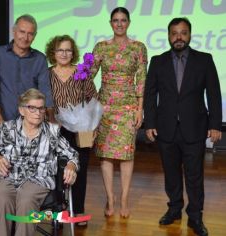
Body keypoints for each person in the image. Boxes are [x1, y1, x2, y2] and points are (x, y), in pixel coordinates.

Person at [143, 17, 222, 236]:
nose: (179, 37)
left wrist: (216, 124)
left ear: (190, 35)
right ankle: (174, 209)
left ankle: (195, 216)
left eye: (183, 33)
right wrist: (149, 123)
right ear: (169, 36)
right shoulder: (157, 61)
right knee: (171, 174)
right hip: (165, 127)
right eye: (174, 33)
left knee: (194, 175)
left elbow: (213, 94)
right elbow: (150, 95)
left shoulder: (204, 60)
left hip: (195, 127)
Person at [0, 88, 79, 236]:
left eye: (41, 108)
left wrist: (71, 165)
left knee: (26, 200)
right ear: (22, 110)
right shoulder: (8, 129)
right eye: (32, 108)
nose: (38, 113)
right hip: (9, 176)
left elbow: (72, 154)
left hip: (38, 179)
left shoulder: (51, 132)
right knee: (1, 198)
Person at [90, 7, 148, 218]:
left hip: (128, 107)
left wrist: (140, 109)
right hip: (104, 107)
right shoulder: (101, 47)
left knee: (125, 154)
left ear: (129, 23)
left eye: (123, 20)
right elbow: (88, 75)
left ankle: (123, 199)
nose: (120, 24)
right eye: (116, 20)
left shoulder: (138, 48)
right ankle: (110, 198)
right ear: (110, 23)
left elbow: (141, 79)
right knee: (105, 155)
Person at [45, 35, 97, 226]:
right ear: (53, 52)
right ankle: (59, 209)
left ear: (73, 52)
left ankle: (78, 210)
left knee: (80, 170)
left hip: (82, 129)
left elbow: (93, 98)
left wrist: (93, 126)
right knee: (55, 170)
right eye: (60, 50)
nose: (64, 54)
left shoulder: (82, 72)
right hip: (54, 129)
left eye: (68, 50)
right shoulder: (47, 73)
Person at [0, 14, 54, 133]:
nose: (25, 37)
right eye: (22, 32)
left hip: (32, 123)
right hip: (4, 121)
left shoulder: (40, 59)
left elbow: (45, 90)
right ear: (14, 31)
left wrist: (51, 118)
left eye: (30, 33)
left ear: (35, 36)